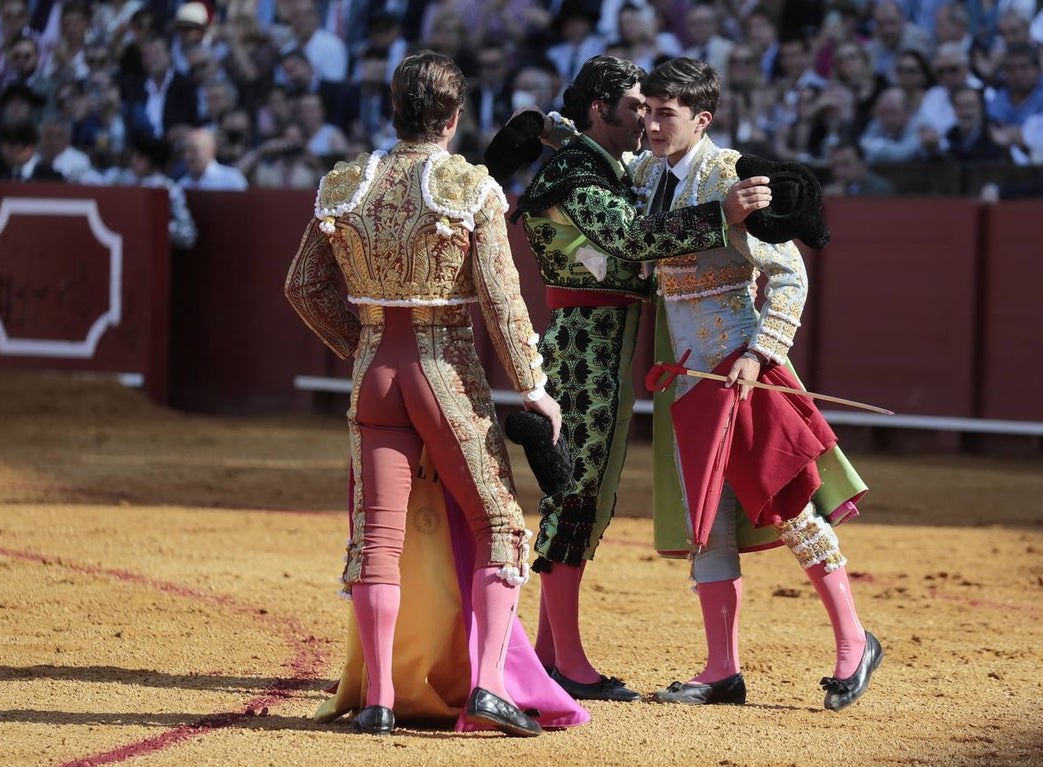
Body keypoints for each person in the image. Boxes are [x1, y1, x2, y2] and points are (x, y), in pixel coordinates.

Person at [283, 50, 564, 738]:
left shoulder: (346, 183)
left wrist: (364, 346)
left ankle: (378, 698)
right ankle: (489, 687)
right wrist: (533, 385)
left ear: (393, 110)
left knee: (376, 539)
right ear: (454, 116)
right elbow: (501, 300)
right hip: (444, 369)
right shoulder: (470, 186)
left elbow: (302, 286)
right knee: (499, 524)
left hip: (375, 368)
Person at [506, 54, 772, 704]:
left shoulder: (587, 159)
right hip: (587, 348)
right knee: (578, 492)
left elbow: (617, 172)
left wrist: (555, 127)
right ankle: (567, 661)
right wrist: (720, 215)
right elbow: (630, 238)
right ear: (602, 111)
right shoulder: (577, 175)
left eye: (657, 110)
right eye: (634, 108)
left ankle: (548, 651)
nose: (647, 120)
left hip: (605, 340)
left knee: (582, 490)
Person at [628, 57, 880, 711]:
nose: (651, 124)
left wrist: (760, 352)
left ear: (700, 120)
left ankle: (855, 640)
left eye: (665, 114)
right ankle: (721, 669)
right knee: (707, 522)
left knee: (791, 506)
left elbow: (789, 274)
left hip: (740, 374)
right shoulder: (648, 173)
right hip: (688, 377)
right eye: (647, 110)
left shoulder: (731, 176)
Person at [178, 127, 250, 190]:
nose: (187, 157)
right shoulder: (182, 185)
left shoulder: (231, 180)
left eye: (194, 151)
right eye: (186, 151)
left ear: (211, 151)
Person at [823, 140, 898, 196]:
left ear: (862, 164)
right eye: (835, 166)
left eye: (846, 164)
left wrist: (845, 198)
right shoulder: (829, 189)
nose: (839, 171)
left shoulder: (880, 189)